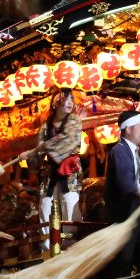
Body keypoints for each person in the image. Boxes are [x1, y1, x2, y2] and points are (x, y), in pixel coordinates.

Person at [101, 109, 140, 279]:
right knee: (124, 258)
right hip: (124, 215)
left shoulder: (136, 154)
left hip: (138, 214)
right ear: (128, 129)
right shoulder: (119, 152)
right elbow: (125, 181)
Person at [34, 88, 84, 248]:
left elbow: (70, 145)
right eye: (64, 100)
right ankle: (47, 245)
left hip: (68, 172)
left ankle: (71, 245)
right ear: (55, 104)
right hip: (50, 173)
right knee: (45, 205)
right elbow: (39, 149)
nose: (68, 103)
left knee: (69, 205)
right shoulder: (45, 127)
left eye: (71, 100)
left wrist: (49, 148)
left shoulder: (74, 123)